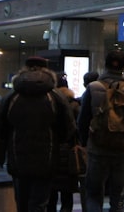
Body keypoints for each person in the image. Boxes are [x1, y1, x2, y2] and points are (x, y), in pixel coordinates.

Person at [0, 55, 77, 212]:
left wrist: (10, 142)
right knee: (39, 203)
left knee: (22, 202)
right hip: (47, 158)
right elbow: (69, 128)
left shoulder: (12, 95)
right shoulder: (55, 96)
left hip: (18, 157)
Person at [78, 49, 124, 212]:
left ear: (105, 65)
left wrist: (84, 142)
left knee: (93, 194)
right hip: (120, 149)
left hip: (97, 148)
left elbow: (83, 119)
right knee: (118, 195)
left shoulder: (93, 88)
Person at [51, 75, 83, 212]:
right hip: (70, 152)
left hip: (51, 151)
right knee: (67, 193)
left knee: (50, 193)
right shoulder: (74, 104)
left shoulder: (49, 102)